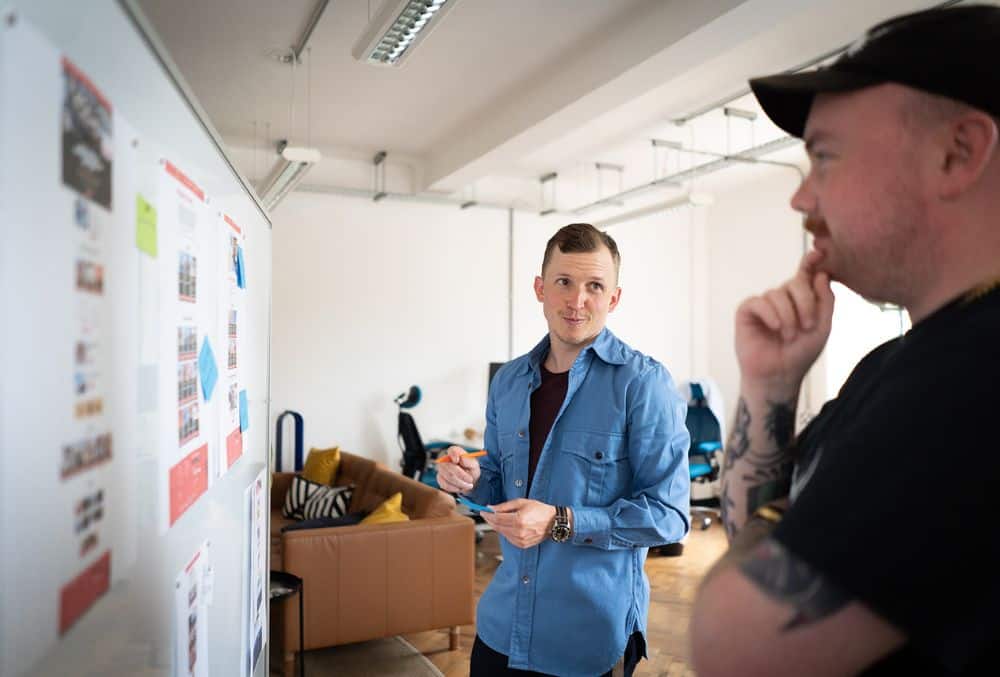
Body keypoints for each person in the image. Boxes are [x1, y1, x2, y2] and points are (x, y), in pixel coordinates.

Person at [690, 5, 1000, 676]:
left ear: (959, 152)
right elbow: (752, 537)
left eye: (825, 156)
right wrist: (770, 386)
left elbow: (734, 643)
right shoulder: (898, 364)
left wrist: (786, 523)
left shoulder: (976, 371)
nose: (802, 199)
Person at [437, 223, 691, 676]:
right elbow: (499, 479)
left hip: (586, 640)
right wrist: (471, 480)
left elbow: (669, 516)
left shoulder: (644, 385)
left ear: (613, 298)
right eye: (564, 282)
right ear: (540, 288)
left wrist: (560, 522)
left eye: (594, 286)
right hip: (500, 627)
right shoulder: (509, 382)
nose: (577, 301)